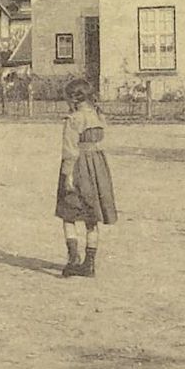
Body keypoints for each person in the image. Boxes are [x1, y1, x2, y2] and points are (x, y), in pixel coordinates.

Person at [56, 79, 118, 277]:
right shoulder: (99, 116)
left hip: (78, 168)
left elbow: (70, 151)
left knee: (68, 214)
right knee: (92, 218)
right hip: (98, 168)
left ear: (73, 98)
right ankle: (89, 264)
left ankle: (73, 258)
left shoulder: (73, 119)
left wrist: (67, 175)